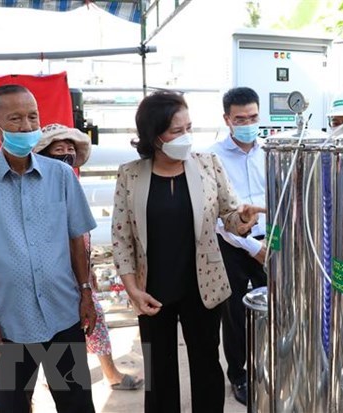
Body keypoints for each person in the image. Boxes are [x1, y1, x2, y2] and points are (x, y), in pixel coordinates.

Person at [0, 84, 98, 413]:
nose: (26, 126)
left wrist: (86, 293)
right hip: (6, 323)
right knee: (13, 405)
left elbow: (75, 239)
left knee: (76, 403)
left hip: (63, 314)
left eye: (32, 116)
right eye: (15, 119)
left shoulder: (62, 175)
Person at [111, 90, 264, 413]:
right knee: (159, 372)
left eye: (189, 128)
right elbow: (122, 238)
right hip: (151, 290)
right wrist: (132, 289)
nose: (186, 137)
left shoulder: (208, 165)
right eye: (176, 131)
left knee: (207, 365)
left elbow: (231, 217)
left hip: (203, 286)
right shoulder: (131, 175)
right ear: (153, 136)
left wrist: (244, 220)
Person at [34, 123, 143, 391]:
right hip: (56, 273)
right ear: (45, 155)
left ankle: (108, 374)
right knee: (60, 326)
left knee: (93, 320)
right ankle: (63, 378)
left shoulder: (71, 181)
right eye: (59, 149)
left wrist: (87, 269)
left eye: (70, 148)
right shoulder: (40, 187)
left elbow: (79, 233)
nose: (67, 153)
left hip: (78, 270)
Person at [207, 86, 267, 406]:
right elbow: (216, 215)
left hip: (269, 243)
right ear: (227, 119)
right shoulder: (212, 156)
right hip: (231, 245)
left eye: (254, 117)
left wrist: (272, 244)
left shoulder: (269, 152)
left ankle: (268, 366)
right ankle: (239, 375)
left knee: (272, 306)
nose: (248, 123)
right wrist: (249, 246)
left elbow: (279, 200)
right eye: (240, 118)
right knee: (235, 314)